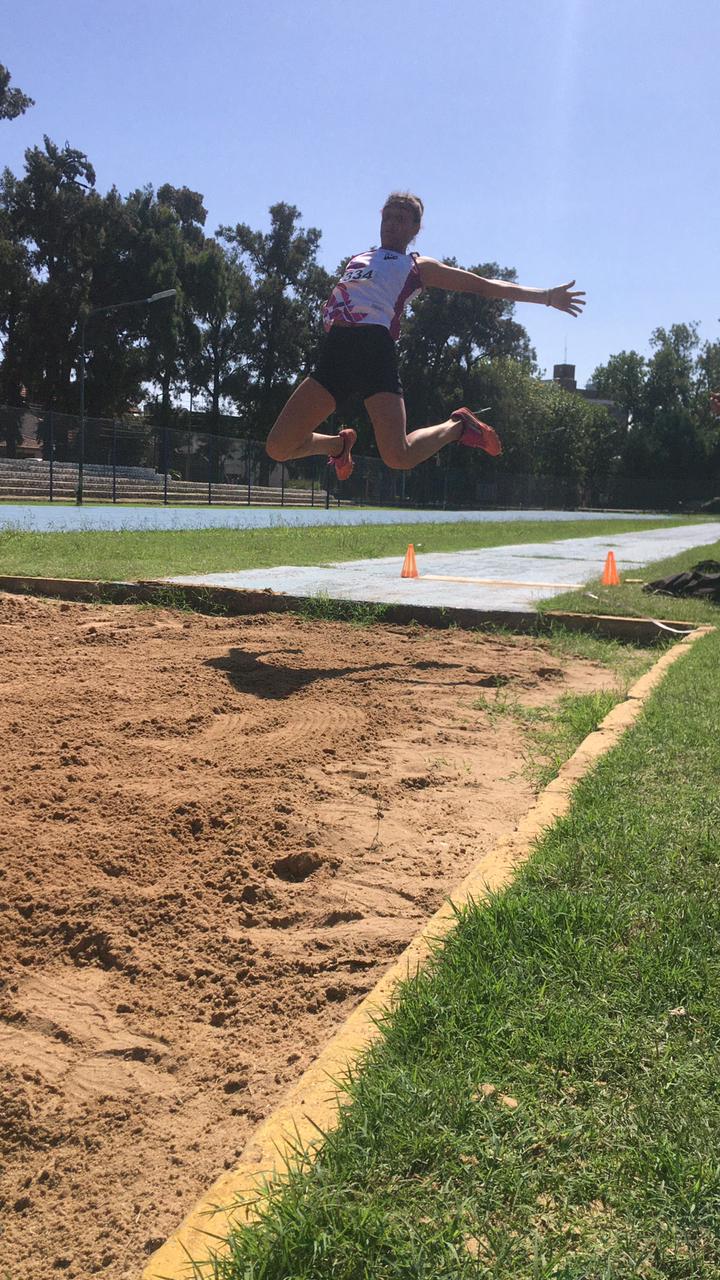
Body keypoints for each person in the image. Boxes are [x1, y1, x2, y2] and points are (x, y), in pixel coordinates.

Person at [265, 192, 586, 480]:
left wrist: (545, 296)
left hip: (374, 353)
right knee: (278, 447)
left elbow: (482, 285)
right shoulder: (358, 259)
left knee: (398, 456)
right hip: (336, 353)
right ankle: (339, 445)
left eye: (400, 219)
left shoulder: (416, 266)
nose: (390, 224)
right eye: (387, 217)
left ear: (414, 230)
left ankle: (458, 426)